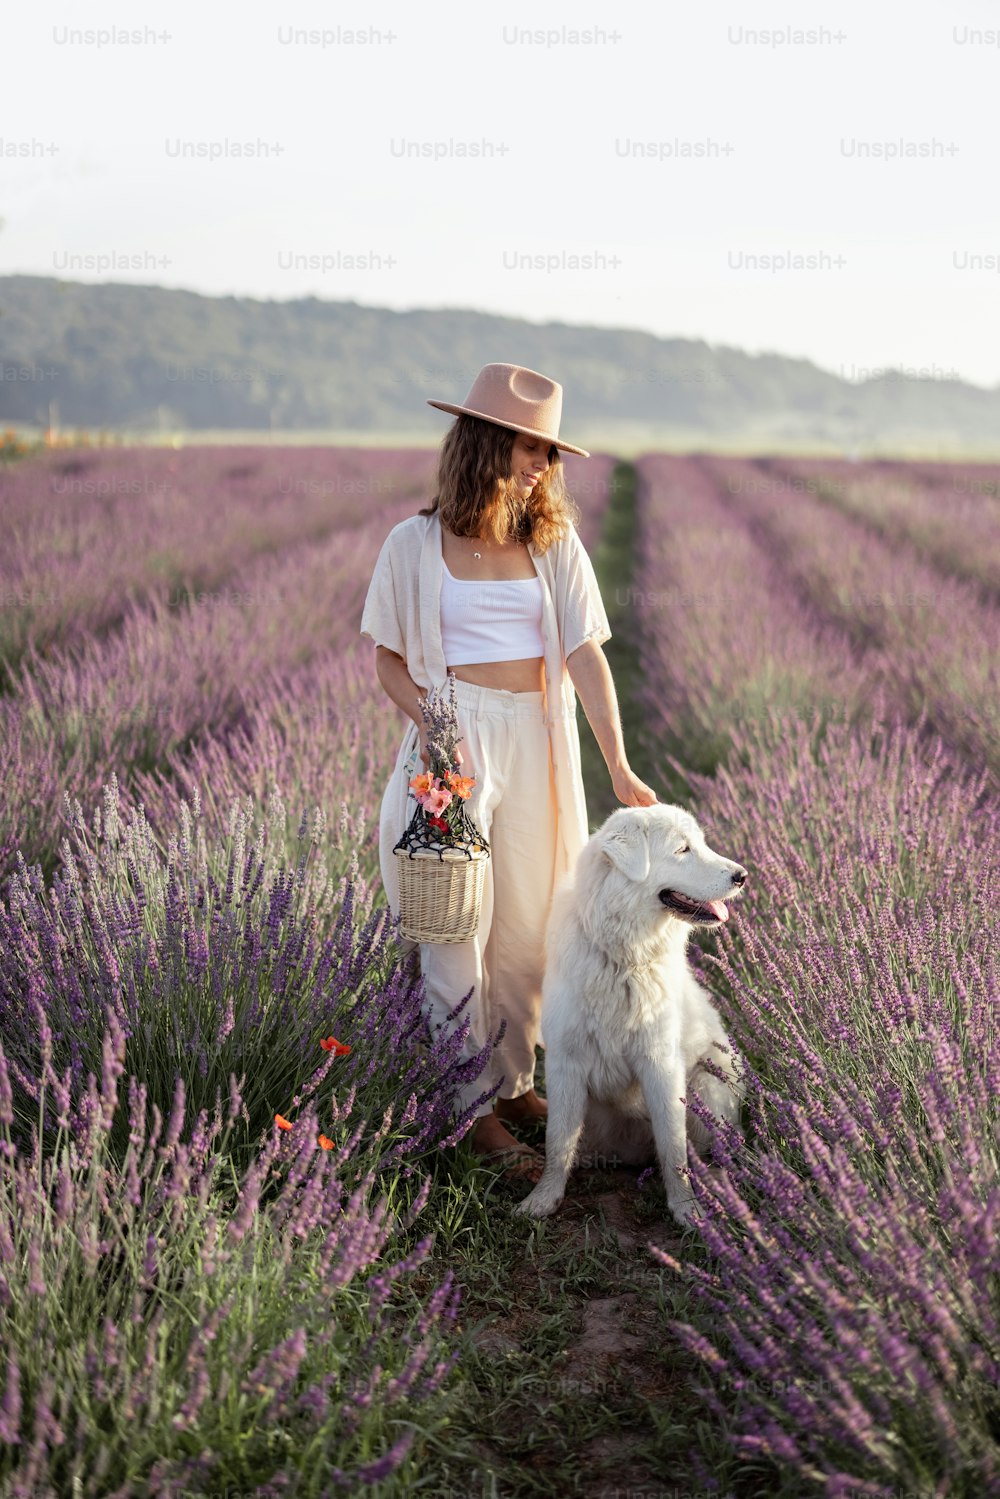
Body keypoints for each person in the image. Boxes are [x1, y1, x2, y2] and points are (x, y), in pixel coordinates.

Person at [359, 363, 657, 1178]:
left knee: (531, 926)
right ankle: (466, 1115)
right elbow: (387, 660)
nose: (544, 466)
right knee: (457, 926)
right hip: (454, 745)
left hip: (538, 737)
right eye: (533, 447)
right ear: (488, 442)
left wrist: (620, 767)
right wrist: (430, 723)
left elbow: (586, 656)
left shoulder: (552, 543)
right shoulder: (412, 544)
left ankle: (513, 1082)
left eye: (551, 453)